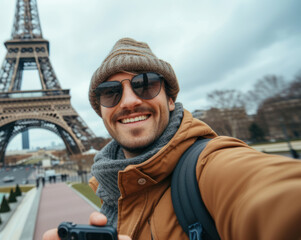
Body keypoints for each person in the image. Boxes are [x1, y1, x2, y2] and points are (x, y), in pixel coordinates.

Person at [43, 38, 301, 240]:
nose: (130, 101)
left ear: (170, 98)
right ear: (101, 111)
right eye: (110, 93)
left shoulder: (210, 167)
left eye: (145, 84)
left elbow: (275, 196)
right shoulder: (110, 186)